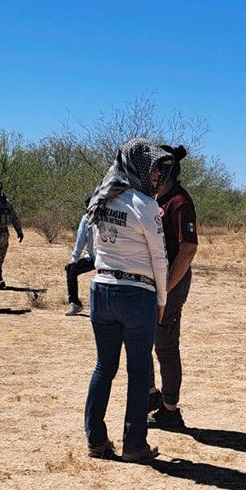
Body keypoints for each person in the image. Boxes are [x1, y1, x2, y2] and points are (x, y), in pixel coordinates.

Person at [83, 139, 173, 462]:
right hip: (137, 295)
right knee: (138, 372)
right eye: (153, 169)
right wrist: (161, 298)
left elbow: (93, 247)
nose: (156, 176)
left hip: (102, 289)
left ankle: (95, 439)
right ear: (137, 166)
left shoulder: (100, 198)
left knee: (104, 366)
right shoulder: (144, 205)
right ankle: (134, 445)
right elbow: (159, 258)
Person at [147, 145, 199, 430]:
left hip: (171, 283)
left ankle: (170, 409)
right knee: (145, 340)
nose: (150, 174)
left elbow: (188, 249)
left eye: (154, 169)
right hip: (155, 281)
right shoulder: (158, 200)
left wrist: (164, 289)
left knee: (165, 346)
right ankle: (152, 395)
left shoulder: (179, 202)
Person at [0, 178, 24, 289]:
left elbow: (14, 217)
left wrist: (19, 231)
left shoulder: (6, 203)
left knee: (1, 258)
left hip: (4, 234)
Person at [65, 197, 96, 316]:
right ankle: (75, 303)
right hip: (91, 258)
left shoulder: (107, 218)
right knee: (71, 270)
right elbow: (80, 240)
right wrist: (74, 259)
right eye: (88, 207)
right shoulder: (86, 219)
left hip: (107, 259)